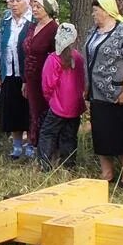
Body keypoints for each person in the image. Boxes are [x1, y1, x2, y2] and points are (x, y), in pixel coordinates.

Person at [85, 0, 123, 187]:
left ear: (107, 11)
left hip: (116, 92)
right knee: (101, 133)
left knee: (122, 133)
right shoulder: (94, 32)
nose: (94, 15)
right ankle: (106, 173)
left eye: (96, 11)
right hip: (96, 92)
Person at [0, 0, 34, 160]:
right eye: (11, 0)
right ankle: (17, 146)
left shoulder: (33, 21)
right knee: (13, 109)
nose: (14, 4)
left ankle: (31, 144)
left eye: (18, 1)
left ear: (27, 2)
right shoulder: (6, 21)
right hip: (9, 72)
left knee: (29, 110)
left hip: (28, 73)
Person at [39, 22, 86, 170]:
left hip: (58, 105)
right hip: (75, 105)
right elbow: (83, 80)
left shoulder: (53, 59)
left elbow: (47, 84)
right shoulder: (78, 57)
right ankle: (69, 166)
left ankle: (44, 165)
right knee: (70, 136)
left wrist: (50, 99)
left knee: (48, 133)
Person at [23, 0, 60, 157]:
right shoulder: (32, 27)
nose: (35, 9)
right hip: (31, 76)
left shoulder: (54, 29)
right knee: (34, 111)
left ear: (48, 9)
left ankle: (49, 150)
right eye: (34, 6)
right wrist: (25, 80)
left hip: (46, 77)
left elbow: (57, 57)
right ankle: (36, 145)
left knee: (45, 112)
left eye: (39, 7)